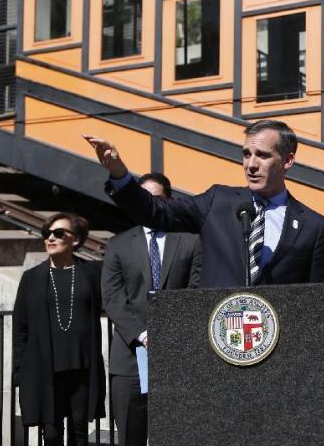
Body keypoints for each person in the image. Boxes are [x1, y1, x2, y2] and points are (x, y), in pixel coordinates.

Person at [83, 119, 324, 287]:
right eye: (246, 154)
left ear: (288, 161)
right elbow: (156, 213)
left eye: (263, 155)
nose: (251, 164)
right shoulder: (218, 201)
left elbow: (318, 295)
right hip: (216, 343)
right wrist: (119, 174)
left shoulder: (312, 226)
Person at [102, 173, 202, 446]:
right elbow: (112, 298)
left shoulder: (190, 240)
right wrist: (144, 335)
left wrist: (168, 333)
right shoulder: (118, 244)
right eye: (142, 198)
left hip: (179, 356)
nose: (148, 204)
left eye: (155, 199)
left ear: (169, 201)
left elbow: (197, 292)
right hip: (130, 359)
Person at [13, 212, 105, 446]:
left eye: (58, 233)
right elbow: (20, 328)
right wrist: (19, 371)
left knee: (80, 431)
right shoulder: (32, 278)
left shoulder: (92, 273)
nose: (50, 239)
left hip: (82, 367)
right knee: (51, 434)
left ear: (75, 240)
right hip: (45, 368)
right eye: (47, 234)